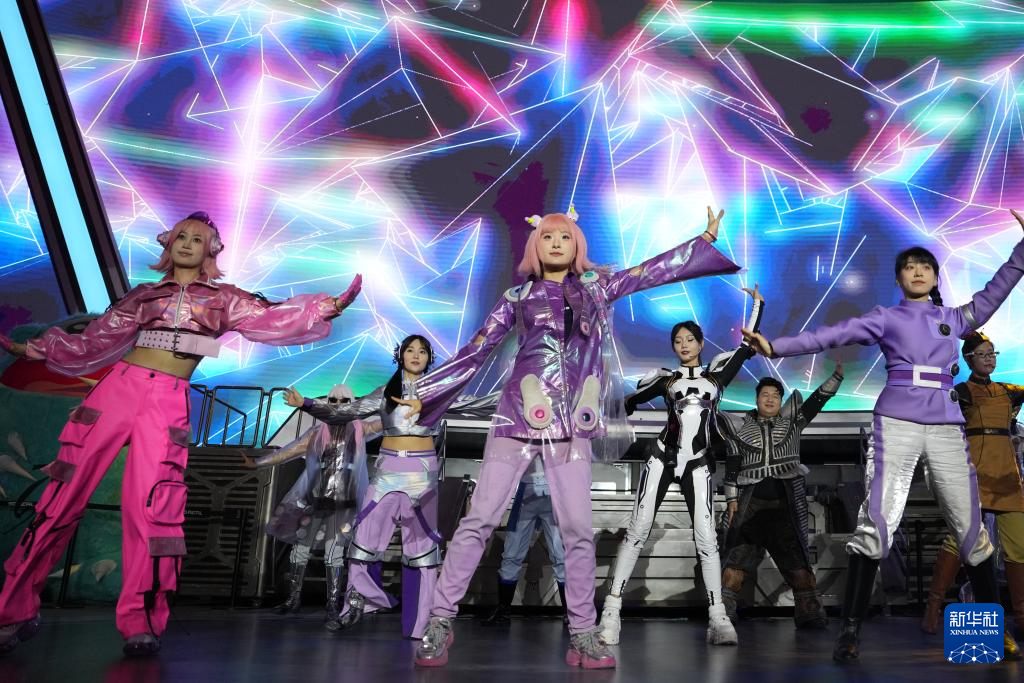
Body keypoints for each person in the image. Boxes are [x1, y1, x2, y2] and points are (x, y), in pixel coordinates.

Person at [0, 211, 361, 656]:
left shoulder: (225, 299)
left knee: (153, 509)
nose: (187, 243)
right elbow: (95, 339)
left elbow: (274, 319)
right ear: (168, 245)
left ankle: (140, 622)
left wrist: (327, 306)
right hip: (118, 390)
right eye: (180, 236)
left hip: (167, 400)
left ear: (210, 250)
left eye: (197, 238)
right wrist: (35, 348)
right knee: (61, 499)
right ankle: (12, 610)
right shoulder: (144, 295)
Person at [411, 205, 742, 669]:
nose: (555, 243)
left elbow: (646, 273)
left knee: (577, 530)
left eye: (564, 236)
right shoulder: (517, 296)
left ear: (576, 246)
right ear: (535, 245)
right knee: (479, 519)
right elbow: (476, 350)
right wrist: (424, 392)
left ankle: (583, 632)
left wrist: (701, 243)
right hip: (518, 417)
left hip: (572, 423)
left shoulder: (594, 289)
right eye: (547, 236)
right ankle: (440, 620)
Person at [742, 209, 1024, 661]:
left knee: (971, 531)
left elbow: (996, 291)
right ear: (899, 278)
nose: (918, 272)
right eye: (910, 267)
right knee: (876, 524)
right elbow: (830, 335)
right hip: (896, 422)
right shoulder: (885, 317)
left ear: (935, 277)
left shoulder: (956, 317)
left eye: (925, 266)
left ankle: (991, 636)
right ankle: (850, 631)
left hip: (946, 426)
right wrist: (775, 346)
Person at [284, 335, 494, 639]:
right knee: (363, 541)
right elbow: (345, 412)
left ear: (429, 358)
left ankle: (419, 625)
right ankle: (356, 605)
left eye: (422, 351)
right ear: (400, 355)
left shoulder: (437, 391)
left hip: (421, 473)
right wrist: (306, 403)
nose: (416, 355)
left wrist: (524, 398)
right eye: (410, 350)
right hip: (387, 471)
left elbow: (476, 404)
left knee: (422, 552)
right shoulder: (385, 392)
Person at [599, 286, 764, 647]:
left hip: (698, 462)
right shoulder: (666, 379)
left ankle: (718, 616)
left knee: (706, 539)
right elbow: (628, 401)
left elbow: (747, 345)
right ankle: (611, 612)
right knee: (637, 531)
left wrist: (757, 306)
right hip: (661, 457)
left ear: (701, 343)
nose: (684, 345)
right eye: (678, 341)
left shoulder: (717, 377)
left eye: (690, 339)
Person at [920, 331, 1024, 658]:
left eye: (992, 353)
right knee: (959, 539)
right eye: (983, 354)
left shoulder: (1011, 392)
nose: (990, 358)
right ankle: (934, 605)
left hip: (1007, 475)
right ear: (969, 359)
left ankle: (1021, 618)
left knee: (1019, 547)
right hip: (974, 474)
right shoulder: (960, 392)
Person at [717, 366, 843, 630]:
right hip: (750, 503)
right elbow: (732, 464)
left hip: (785, 504)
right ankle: (724, 612)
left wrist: (835, 378)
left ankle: (809, 610)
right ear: (756, 399)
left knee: (796, 557)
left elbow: (816, 401)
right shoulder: (740, 427)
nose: (770, 399)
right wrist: (731, 499)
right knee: (736, 556)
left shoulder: (793, 423)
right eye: (765, 394)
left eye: (775, 395)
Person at [242, 383, 376, 627]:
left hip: (344, 502)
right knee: (300, 549)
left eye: (344, 401)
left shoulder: (361, 429)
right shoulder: (317, 433)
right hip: (315, 499)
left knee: (334, 554)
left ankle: (332, 605)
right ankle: (293, 599)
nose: (338, 406)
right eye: (333, 401)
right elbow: (288, 451)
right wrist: (259, 463)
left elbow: (388, 422)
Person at [480, 456, 567, 627]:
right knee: (511, 555)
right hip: (527, 490)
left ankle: (569, 612)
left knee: (561, 557)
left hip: (553, 492)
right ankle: (503, 610)